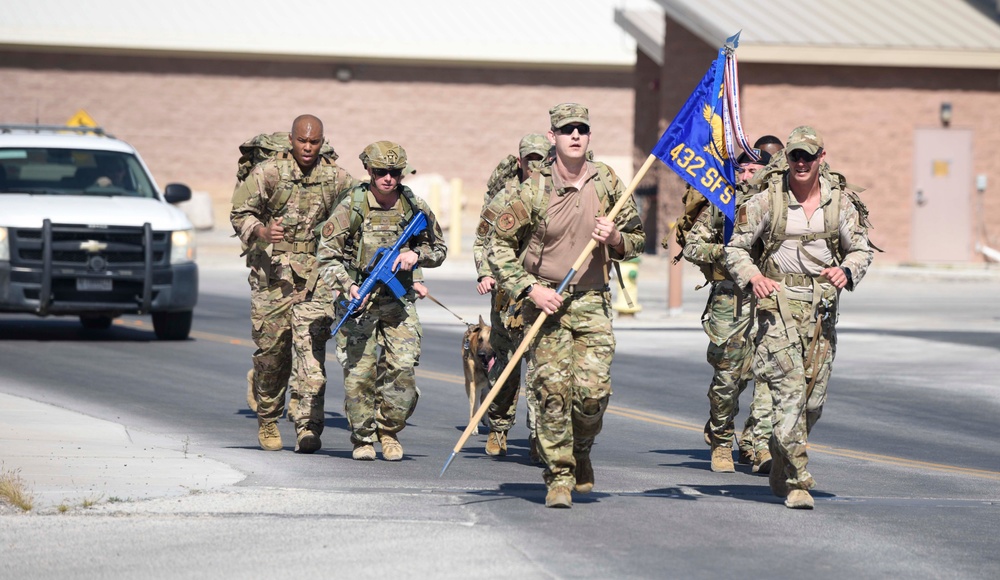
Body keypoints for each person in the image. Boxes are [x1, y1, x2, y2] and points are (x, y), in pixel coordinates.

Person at [486, 103, 645, 508]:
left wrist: (615, 239)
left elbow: (636, 241)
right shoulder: (532, 188)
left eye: (582, 129)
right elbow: (499, 247)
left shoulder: (607, 181)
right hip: (546, 302)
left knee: (592, 395)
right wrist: (529, 289)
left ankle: (581, 452)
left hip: (592, 300)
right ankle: (558, 474)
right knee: (551, 393)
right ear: (553, 136)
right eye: (567, 129)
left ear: (589, 136)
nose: (575, 135)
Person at [724, 126, 873, 509]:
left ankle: (780, 458)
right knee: (789, 394)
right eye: (795, 156)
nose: (802, 163)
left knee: (810, 402)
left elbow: (860, 249)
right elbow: (735, 248)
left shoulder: (841, 204)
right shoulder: (765, 202)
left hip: (822, 311)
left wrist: (848, 271)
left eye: (809, 156)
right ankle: (796, 480)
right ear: (786, 159)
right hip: (777, 309)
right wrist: (754, 276)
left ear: (822, 158)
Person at [231, 114, 358, 453]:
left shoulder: (334, 177)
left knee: (310, 352)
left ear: (321, 142)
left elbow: (361, 205)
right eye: (302, 141)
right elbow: (239, 212)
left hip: (314, 276)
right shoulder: (269, 172)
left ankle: (307, 425)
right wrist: (260, 231)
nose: (307, 147)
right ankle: (269, 419)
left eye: (314, 142)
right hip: (271, 276)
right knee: (273, 354)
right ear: (291, 140)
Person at [317, 141, 446, 461]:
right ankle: (363, 437)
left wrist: (415, 256)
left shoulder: (414, 207)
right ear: (368, 171)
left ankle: (388, 430)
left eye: (394, 172)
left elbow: (439, 250)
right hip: (359, 302)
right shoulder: (352, 205)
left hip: (398, 304)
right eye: (380, 172)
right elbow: (326, 256)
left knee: (402, 370)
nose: (388, 178)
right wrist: (347, 285)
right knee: (359, 375)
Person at [684, 149, 776, 474]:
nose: (746, 175)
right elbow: (692, 247)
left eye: (754, 169)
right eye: (742, 169)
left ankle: (755, 444)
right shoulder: (723, 205)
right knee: (728, 380)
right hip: (731, 301)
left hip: (772, 301)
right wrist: (728, 253)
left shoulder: (780, 207)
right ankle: (722, 441)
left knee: (769, 376)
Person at [473, 132, 549, 461]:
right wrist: (485, 272)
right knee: (505, 366)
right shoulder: (504, 198)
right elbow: (483, 240)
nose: (534, 166)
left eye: (541, 160)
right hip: (508, 293)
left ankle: (539, 435)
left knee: (542, 368)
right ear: (519, 162)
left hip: (545, 290)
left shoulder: (556, 193)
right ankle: (499, 428)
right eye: (529, 160)